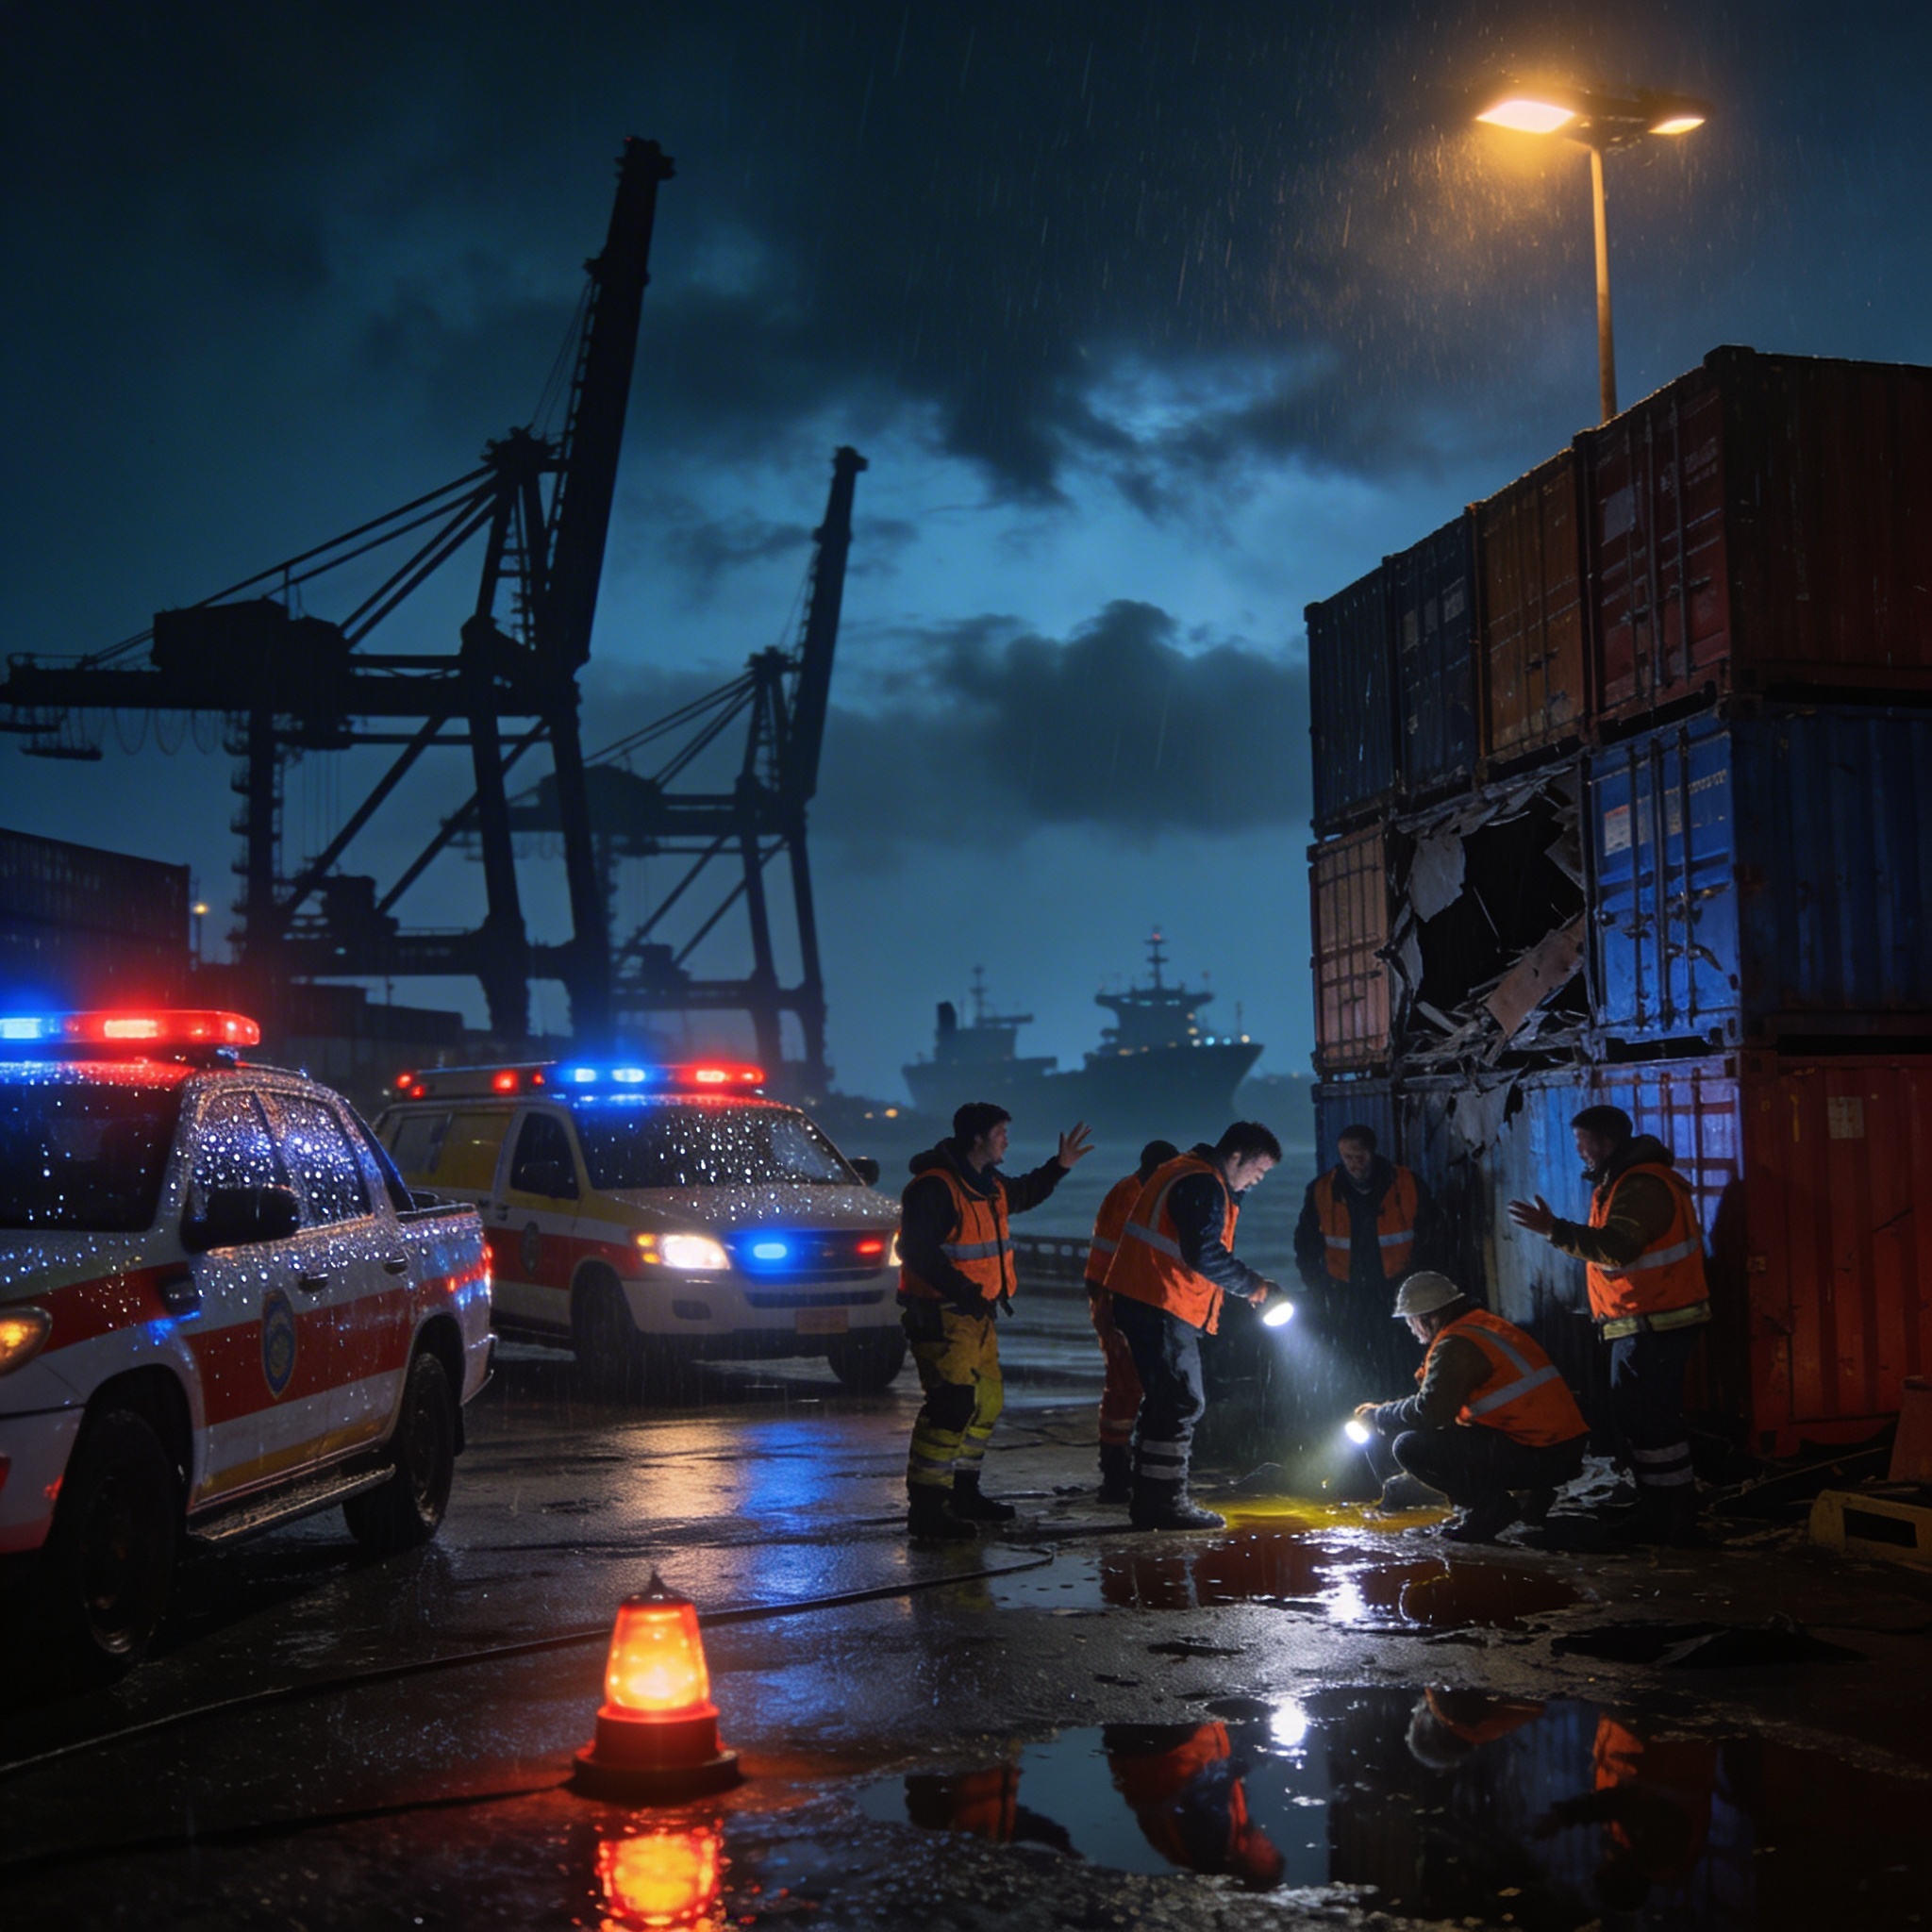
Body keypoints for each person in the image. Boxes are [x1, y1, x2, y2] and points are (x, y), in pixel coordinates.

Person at [1507, 1105, 1710, 1544]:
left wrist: (1553, 1230)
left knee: (1651, 1423)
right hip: (1641, 1321)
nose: (1579, 1151)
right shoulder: (1624, 1181)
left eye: (1582, 1142)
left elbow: (1617, 1247)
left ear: (1604, 1141)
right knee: (1642, 1422)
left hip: (1654, 1321)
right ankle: (1659, 1508)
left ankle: (1672, 1515)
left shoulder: (1641, 1185)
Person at [897, 1101, 1092, 1541]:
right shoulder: (935, 1188)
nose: (1007, 1140)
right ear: (978, 1138)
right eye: (1002, 1132)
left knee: (986, 1403)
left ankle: (964, 1494)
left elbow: (1023, 1193)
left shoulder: (988, 1185)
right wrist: (962, 1290)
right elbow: (917, 1251)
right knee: (950, 1405)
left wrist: (1058, 1167)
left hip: (977, 1315)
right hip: (943, 1314)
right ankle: (927, 1508)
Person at [1103, 1122, 1286, 1531]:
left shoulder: (1184, 1170)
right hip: (1161, 1301)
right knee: (1182, 1401)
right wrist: (1255, 1287)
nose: (1259, 1179)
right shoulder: (1202, 1182)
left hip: (1147, 1299)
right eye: (1259, 1169)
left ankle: (1150, 1498)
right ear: (1235, 1155)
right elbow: (1203, 1253)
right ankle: (1164, 1504)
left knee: (1165, 1400)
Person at [1353, 1271, 1589, 1543]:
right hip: (1562, 1446)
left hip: (1541, 1453)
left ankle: (1492, 1508)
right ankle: (1530, 1498)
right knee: (1458, 1432)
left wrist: (1378, 1416)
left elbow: (1430, 1411)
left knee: (1409, 1446)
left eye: (1410, 1320)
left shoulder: (1456, 1345)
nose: (1410, 1327)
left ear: (1426, 1317)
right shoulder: (1485, 1327)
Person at [1293, 1124, 1433, 1389]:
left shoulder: (1408, 1184)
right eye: (1348, 1157)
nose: (1355, 1164)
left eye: (1360, 1157)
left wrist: (1418, 1288)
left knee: (1401, 1366)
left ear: (1373, 1152)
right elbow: (1305, 1245)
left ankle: (1396, 1411)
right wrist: (1321, 1289)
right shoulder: (1321, 1190)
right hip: (1346, 1296)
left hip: (1398, 1293)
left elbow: (1432, 1238)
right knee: (1355, 1365)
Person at [1084, 1139, 1179, 1506]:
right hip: (1120, 1302)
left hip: (1137, 1302)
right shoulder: (1132, 1196)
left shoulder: (1141, 1192)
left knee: (1134, 1388)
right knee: (1125, 1388)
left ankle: (1125, 1470)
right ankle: (1116, 1473)